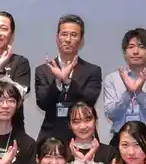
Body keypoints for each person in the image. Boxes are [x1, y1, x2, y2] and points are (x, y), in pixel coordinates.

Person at [34, 14, 103, 143]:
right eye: (64, 34)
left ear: (81, 40)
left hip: (83, 135)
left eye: (74, 35)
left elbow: (89, 102)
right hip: (51, 135)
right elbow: (43, 103)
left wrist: (67, 81)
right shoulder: (43, 70)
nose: (68, 39)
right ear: (57, 38)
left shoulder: (92, 70)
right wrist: (57, 82)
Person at [103, 28, 146, 132]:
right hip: (120, 137)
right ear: (124, 52)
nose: (135, 52)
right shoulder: (112, 79)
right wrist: (128, 93)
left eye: (141, 47)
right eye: (131, 47)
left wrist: (139, 93)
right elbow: (111, 114)